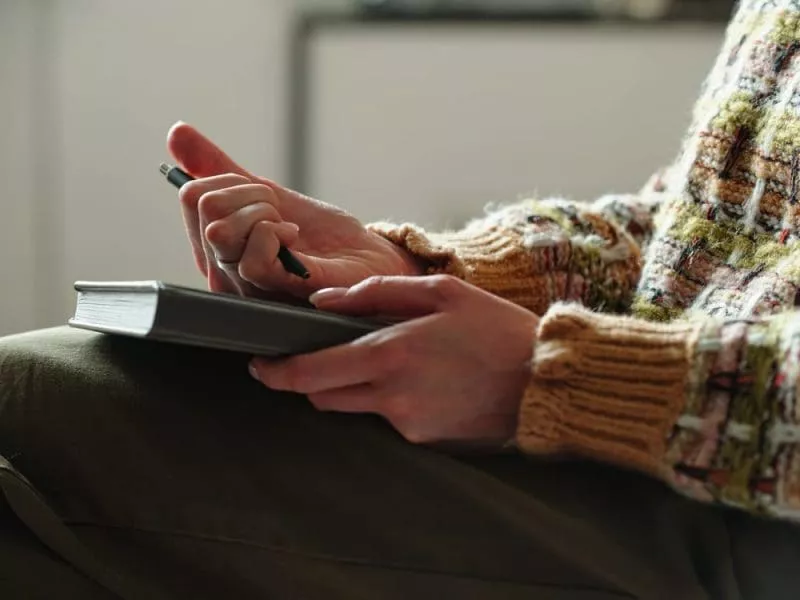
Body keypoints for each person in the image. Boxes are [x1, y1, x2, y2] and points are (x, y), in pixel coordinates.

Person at [4, 0, 800, 598]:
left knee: (30, 420)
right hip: (653, 446)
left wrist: (551, 380)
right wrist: (421, 267)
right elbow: (700, 231)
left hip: (744, 519)